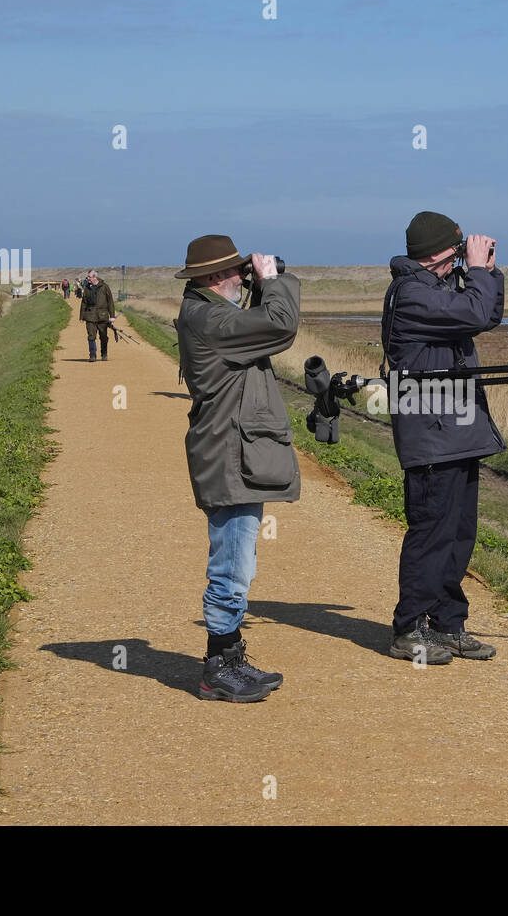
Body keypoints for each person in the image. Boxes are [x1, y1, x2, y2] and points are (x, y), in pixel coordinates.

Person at [175, 234, 301, 703]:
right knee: (231, 565)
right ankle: (217, 669)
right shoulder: (211, 318)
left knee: (236, 562)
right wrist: (271, 280)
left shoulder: (205, 310)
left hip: (230, 453)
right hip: (228, 457)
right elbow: (280, 326)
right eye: (234, 271)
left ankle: (229, 658)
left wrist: (260, 282)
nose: (241, 276)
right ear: (212, 278)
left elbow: (261, 324)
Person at [381, 212, 505, 664]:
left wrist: (487, 272)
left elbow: (487, 312)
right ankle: (409, 629)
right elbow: (475, 311)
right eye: (456, 252)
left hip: (456, 431)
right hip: (433, 435)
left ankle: (448, 625)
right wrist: (474, 271)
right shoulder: (413, 294)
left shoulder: (434, 289)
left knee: (458, 535)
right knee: (431, 533)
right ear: (438, 253)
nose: (460, 258)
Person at [79, 270, 116, 361]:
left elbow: (110, 302)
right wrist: (81, 316)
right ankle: (92, 355)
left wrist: (112, 316)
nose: (88, 279)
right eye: (88, 277)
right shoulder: (87, 288)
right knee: (91, 336)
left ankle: (104, 354)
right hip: (90, 315)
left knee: (103, 336)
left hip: (102, 316)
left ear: (95, 277)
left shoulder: (105, 287)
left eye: (89, 277)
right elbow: (84, 302)